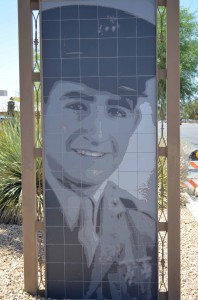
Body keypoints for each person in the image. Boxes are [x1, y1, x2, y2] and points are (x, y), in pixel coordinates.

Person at [42, 2, 157, 299]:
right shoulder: (44, 212)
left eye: (117, 111)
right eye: (77, 105)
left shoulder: (141, 227)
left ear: (133, 123)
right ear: (45, 111)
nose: (97, 134)